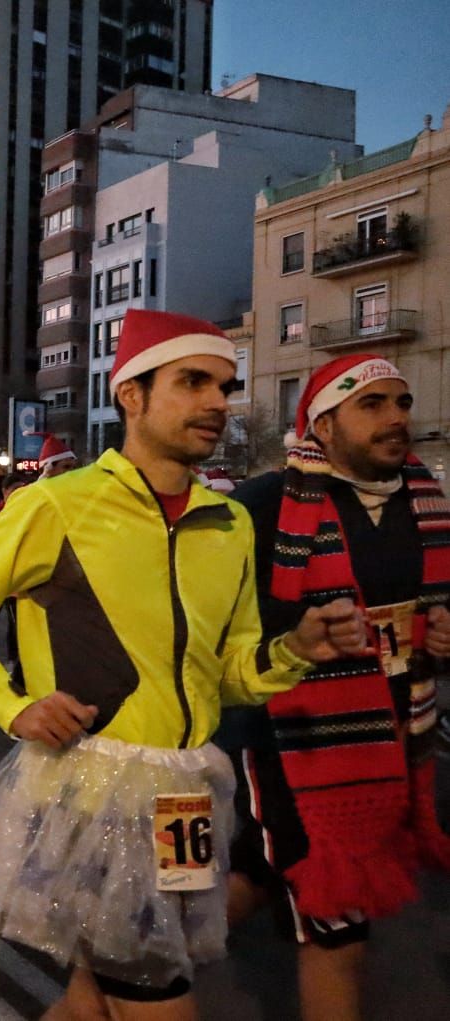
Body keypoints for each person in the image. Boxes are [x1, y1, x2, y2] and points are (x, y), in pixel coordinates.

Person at [0, 308, 369, 1018]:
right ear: (129, 394)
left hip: (188, 796)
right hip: (89, 795)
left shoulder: (228, 524)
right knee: (156, 996)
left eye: (224, 385)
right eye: (192, 381)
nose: (217, 402)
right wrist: (14, 706)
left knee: (91, 1002)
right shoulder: (55, 505)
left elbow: (225, 674)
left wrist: (294, 650)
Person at [222, 353, 450, 1021]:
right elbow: (215, 621)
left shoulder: (425, 502)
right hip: (296, 744)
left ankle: (128, 968)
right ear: (321, 425)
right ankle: (134, 973)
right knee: (339, 936)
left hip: (394, 741)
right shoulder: (265, 504)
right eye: (372, 404)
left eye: (401, 402)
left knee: (257, 875)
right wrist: (297, 638)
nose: (395, 418)